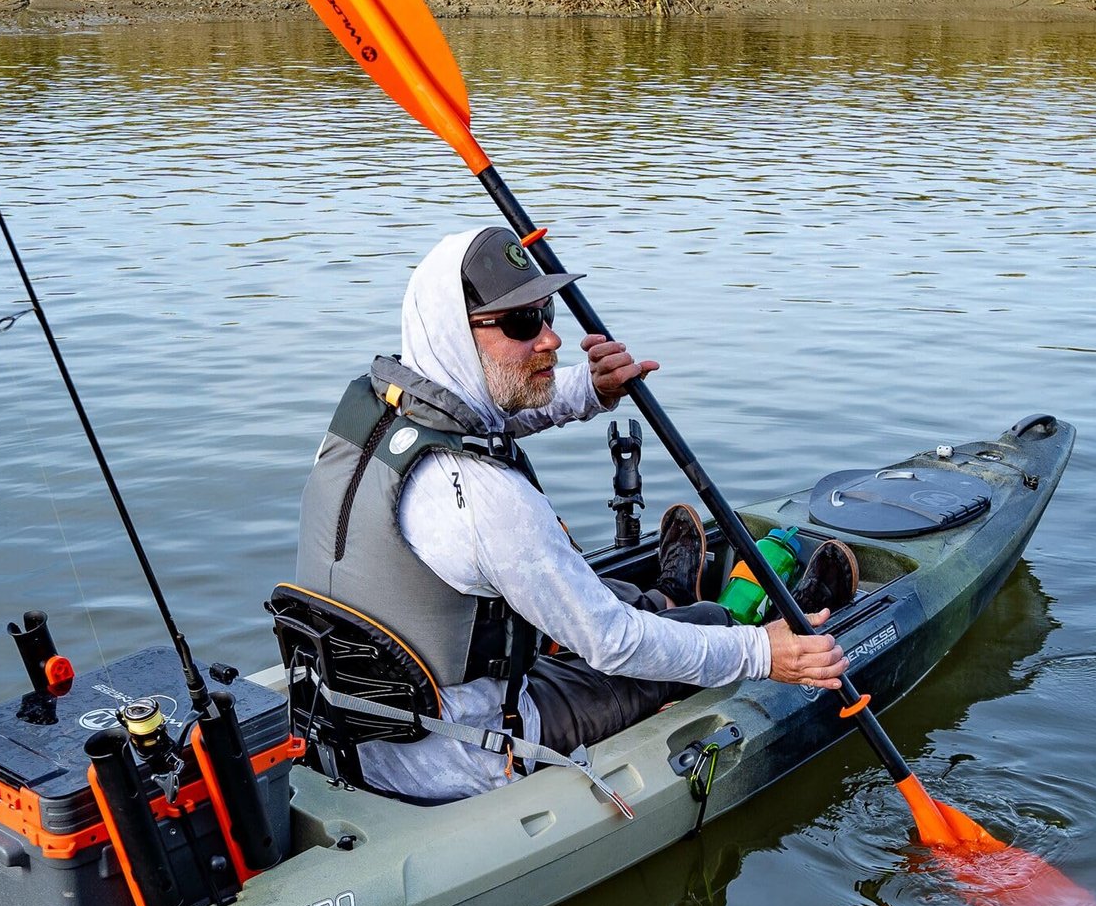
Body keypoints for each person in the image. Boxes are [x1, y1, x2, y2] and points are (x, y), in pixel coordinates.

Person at [291, 226, 855, 803]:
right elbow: (613, 644)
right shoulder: (487, 498)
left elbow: (482, 413)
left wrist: (589, 388)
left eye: (546, 312)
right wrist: (760, 654)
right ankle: (785, 633)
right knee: (710, 624)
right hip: (466, 751)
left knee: (599, 591)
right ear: (456, 334)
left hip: (361, 727)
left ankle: (664, 597)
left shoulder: (371, 415)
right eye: (521, 323)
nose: (551, 338)